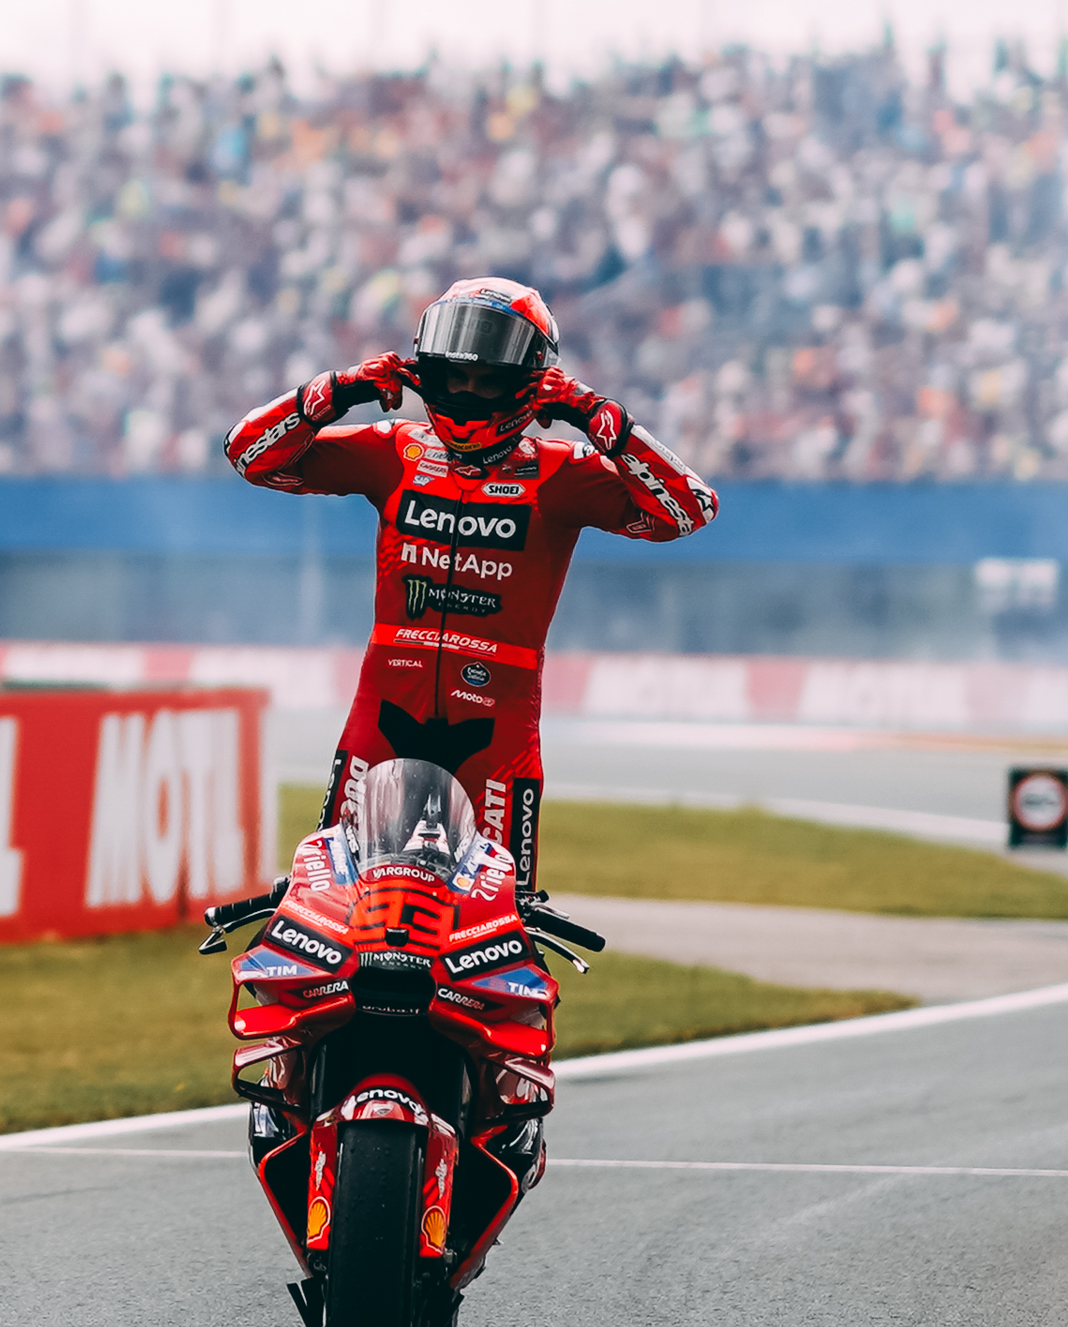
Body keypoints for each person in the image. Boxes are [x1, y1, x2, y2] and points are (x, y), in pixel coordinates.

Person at [223, 276, 717, 890]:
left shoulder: (561, 472)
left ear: (530, 383)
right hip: (382, 712)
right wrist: (339, 389)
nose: (466, 392)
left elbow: (689, 509)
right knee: (332, 899)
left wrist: (600, 417)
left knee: (502, 916)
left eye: (486, 380)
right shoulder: (394, 449)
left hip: (498, 731)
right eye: (454, 377)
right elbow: (249, 454)